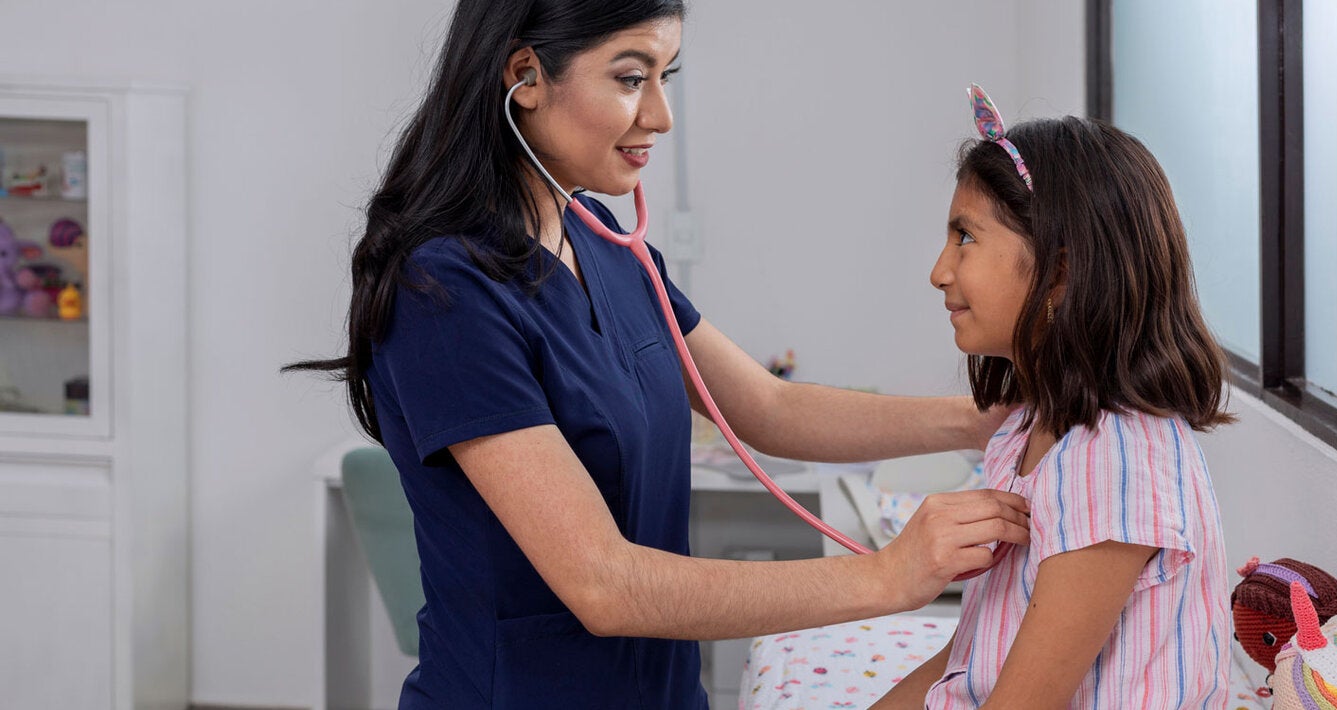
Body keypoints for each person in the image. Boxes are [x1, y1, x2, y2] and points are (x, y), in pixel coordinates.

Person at [286, 2, 1031, 707]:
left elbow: (769, 408)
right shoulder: (443, 292)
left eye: (664, 78)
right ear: (525, 78)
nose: (660, 117)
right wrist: (889, 577)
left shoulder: (603, 241)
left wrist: (983, 418)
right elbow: (603, 585)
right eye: (630, 77)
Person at [872, 105, 1235, 708]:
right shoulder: (1028, 432)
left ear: (1060, 271)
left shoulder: (1114, 462)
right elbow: (973, 656)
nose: (939, 271)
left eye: (965, 237)